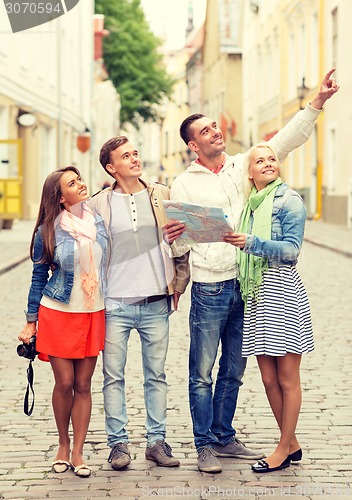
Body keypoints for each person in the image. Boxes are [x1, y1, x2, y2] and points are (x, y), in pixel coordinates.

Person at [165, 68, 339, 473]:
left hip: (249, 284)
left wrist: (316, 103)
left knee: (234, 370)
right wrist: (175, 235)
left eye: (215, 126)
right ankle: (205, 444)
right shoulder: (183, 183)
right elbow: (180, 243)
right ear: (193, 145)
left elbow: (284, 141)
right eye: (206, 131)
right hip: (210, 285)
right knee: (202, 371)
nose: (215, 132)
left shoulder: (243, 167)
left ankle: (224, 436)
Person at [88, 136, 190, 470]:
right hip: (114, 303)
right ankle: (118, 445)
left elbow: (181, 243)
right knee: (112, 376)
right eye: (125, 156)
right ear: (110, 167)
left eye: (135, 153)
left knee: (155, 375)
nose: (134, 159)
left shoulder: (162, 194)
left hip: (155, 301)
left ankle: (156, 442)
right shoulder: (98, 204)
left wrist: (178, 282)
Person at [223, 143, 314, 473]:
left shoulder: (289, 201)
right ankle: (290, 442)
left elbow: (291, 251)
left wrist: (251, 242)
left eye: (271, 158)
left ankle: (282, 449)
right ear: (250, 172)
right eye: (259, 160)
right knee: (268, 378)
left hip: (283, 294)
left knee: (287, 378)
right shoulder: (249, 206)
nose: (267, 163)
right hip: (258, 296)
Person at [18, 167, 108, 478]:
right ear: (59, 197)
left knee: (84, 385)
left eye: (79, 179)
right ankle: (62, 444)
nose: (81, 185)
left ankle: (79, 452)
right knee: (65, 383)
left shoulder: (98, 222)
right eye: (72, 183)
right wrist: (31, 321)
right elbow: (38, 276)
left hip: (93, 310)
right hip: (57, 310)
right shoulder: (49, 230)